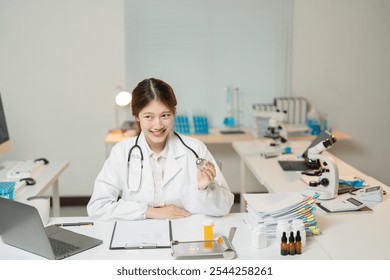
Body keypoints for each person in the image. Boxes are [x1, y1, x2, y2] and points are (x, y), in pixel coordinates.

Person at [87, 78, 234, 221]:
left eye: (165, 115)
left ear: (174, 113)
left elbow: (224, 208)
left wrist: (205, 188)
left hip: (185, 234)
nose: (157, 125)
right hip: (137, 236)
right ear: (137, 117)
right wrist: (149, 212)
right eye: (148, 117)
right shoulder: (122, 152)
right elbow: (97, 207)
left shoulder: (195, 149)